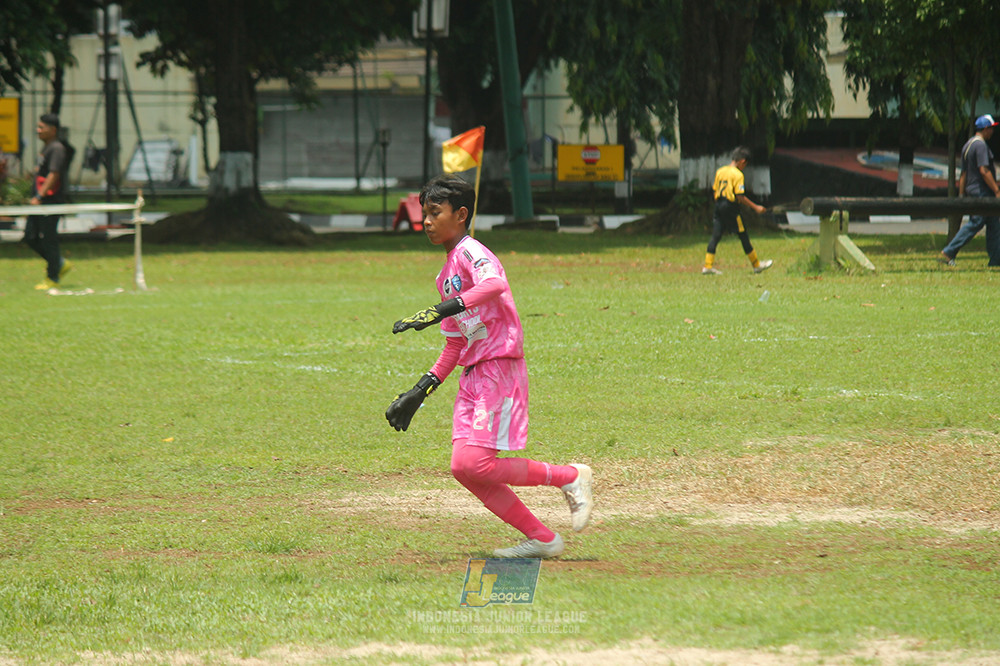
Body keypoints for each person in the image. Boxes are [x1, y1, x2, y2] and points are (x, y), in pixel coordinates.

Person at [385, 174, 593, 559]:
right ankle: (543, 539)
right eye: (424, 214)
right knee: (463, 467)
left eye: (435, 213)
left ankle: (570, 476)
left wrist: (440, 310)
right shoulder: (444, 275)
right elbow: (456, 343)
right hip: (473, 375)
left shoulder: (471, 251)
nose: (427, 221)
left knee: (477, 464)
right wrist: (420, 390)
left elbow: (494, 283)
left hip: (498, 366)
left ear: (461, 214)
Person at [939, 114, 1000, 267]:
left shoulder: (968, 145)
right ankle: (949, 251)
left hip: (973, 190)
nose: (992, 132)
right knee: (976, 222)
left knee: (994, 224)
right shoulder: (981, 146)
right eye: (991, 128)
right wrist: (997, 190)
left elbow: (964, 174)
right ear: (985, 129)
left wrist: (961, 194)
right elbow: (984, 170)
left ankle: (996, 260)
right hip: (982, 192)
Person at [702, 146, 773, 275]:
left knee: (716, 235)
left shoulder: (720, 171)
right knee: (743, 234)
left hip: (719, 205)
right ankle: (756, 265)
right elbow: (740, 196)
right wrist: (756, 207)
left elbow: (714, 190)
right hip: (730, 207)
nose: (744, 167)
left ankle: (707, 266)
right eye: (745, 164)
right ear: (742, 161)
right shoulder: (738, 175)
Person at [25, 113, 73, 290]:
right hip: (40, 203)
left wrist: (39, 196)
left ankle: (53, 277)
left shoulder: (57, 148)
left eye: (41, 127)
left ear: (53, 130)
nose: (38, 130)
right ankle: (59, 263)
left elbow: (54, 174)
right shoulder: (47, 148)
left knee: (48, 239)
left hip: (50, 202)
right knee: (30, 236)